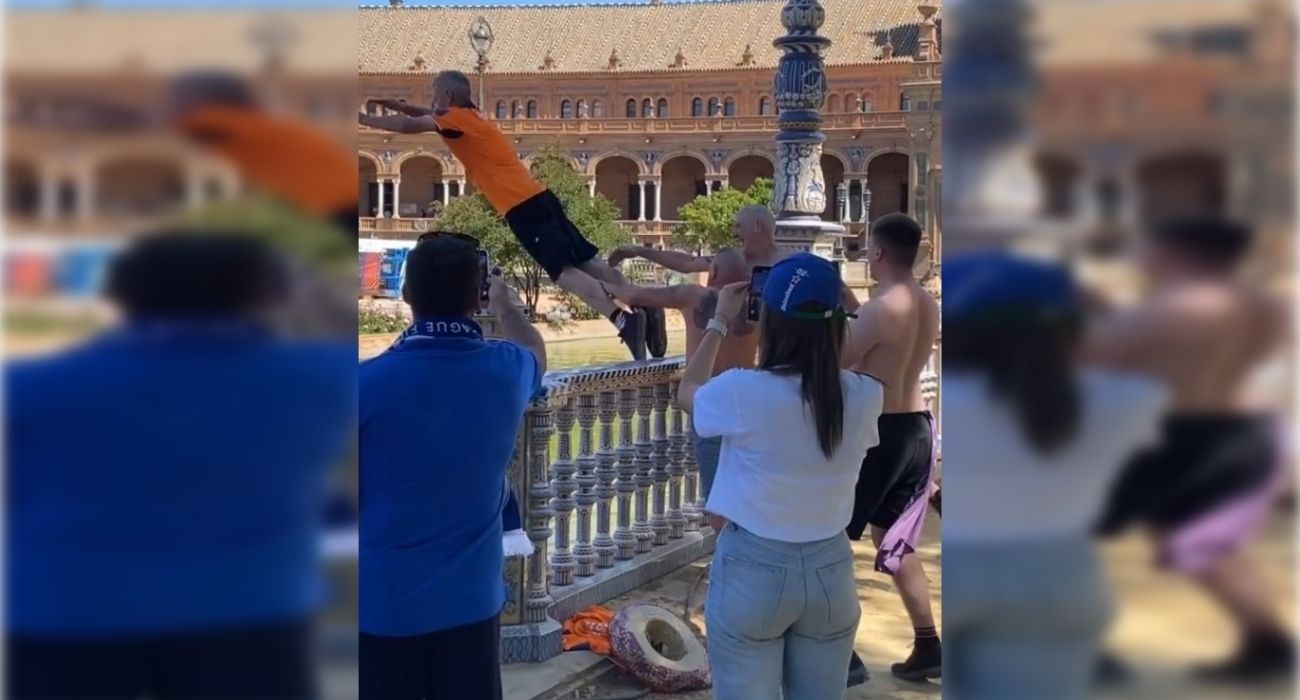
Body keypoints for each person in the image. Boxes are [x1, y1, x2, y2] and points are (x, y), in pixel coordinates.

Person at [6, 234, 356, 699]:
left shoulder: (28, 389)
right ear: (265, 295)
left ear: (120, 295)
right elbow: (334, 322)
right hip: (252, 622)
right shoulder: (322, 381)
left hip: (67, 620)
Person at [942, 251, 1166, 700]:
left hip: (963, 573)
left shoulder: (952, 399)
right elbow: (1136, 344)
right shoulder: (1120, 401)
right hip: (1059, 578)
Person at [1087, 218, 1294, 683]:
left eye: (1153, 246)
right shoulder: (1260, 305)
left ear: (1181, 254)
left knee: (1078, 530)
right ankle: (1269, 644)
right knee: (1207, 547)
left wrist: (1094, 313)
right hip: (1243, 428)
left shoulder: (1174, 309)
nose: (1143, 255)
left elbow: (1095, 358)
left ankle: (1084, 645)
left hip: (1187, 435)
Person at [678, 253, 884, 700]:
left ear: (767, 320)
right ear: (838, 322)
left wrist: (717, 322)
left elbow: (687, 392)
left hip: (753, 569)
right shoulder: (866, 396)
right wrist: (837, 297)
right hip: (831, 569)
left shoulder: (741, 391)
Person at [358, 233, 546, 700]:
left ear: (406, 295)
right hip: (472, 604)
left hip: (382, 606)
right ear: (477, 296)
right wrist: (507, 308)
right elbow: (537, 354)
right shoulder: (507, 371)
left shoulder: (363, 383)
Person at [359, 70, 647, 360]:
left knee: (563, 273)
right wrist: (399, 105)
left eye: (435, 94)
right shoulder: (473, 116)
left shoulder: (455, 120)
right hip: (541, 197)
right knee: (588, 261)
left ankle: (623, 320)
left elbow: (411, 126)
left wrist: (364, 120)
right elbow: (422, 113)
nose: (432, 101)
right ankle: (647, 306)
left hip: (521, 206)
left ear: (447, 96)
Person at [839, 213, 942, 682]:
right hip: (918, 428)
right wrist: (854, 307)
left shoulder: (879, 309)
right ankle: (928, 642)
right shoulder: (925, 302)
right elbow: (891, 347)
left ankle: (840, 650)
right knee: (894, 541)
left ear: (878, 253)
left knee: (832, 540)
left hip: (879, 433)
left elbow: (841, 358)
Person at [606, 248, 756, 509]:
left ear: (713, 272)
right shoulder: (760, 305)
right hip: (748, 408)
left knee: (717, 497)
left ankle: (724, 541)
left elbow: (630, 294)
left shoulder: (693, 295)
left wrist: (599, 278)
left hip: (707, 404)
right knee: (748, 491)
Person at [609, 204, 861, 312]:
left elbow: (839, 290)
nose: (734, 232)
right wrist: (638, 250)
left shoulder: (795, 261)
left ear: (758, 227)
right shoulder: (734, 260)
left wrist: (858, 320)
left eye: (739, 226)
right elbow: (686, 263)